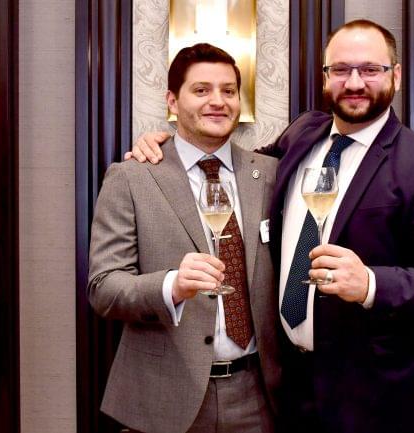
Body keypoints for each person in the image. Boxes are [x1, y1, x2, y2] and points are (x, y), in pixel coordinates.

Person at [129, 20, 414, 433]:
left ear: (396, 77)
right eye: (341, 70)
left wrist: (370, 283)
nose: (355, 82)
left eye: (370, 69)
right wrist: (172, 144)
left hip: (378, 401)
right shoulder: (303, 134)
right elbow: (235, 168)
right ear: (326, 77)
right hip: (289, 391)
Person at [88, 43, 280, 433]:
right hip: (165, 397)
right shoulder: (133, 176)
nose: (218, 101)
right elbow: (103, 288)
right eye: (201, 90)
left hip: (260, 397)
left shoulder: (272, 174)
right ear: (172, 101)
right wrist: (171, 285)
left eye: (228, 91)